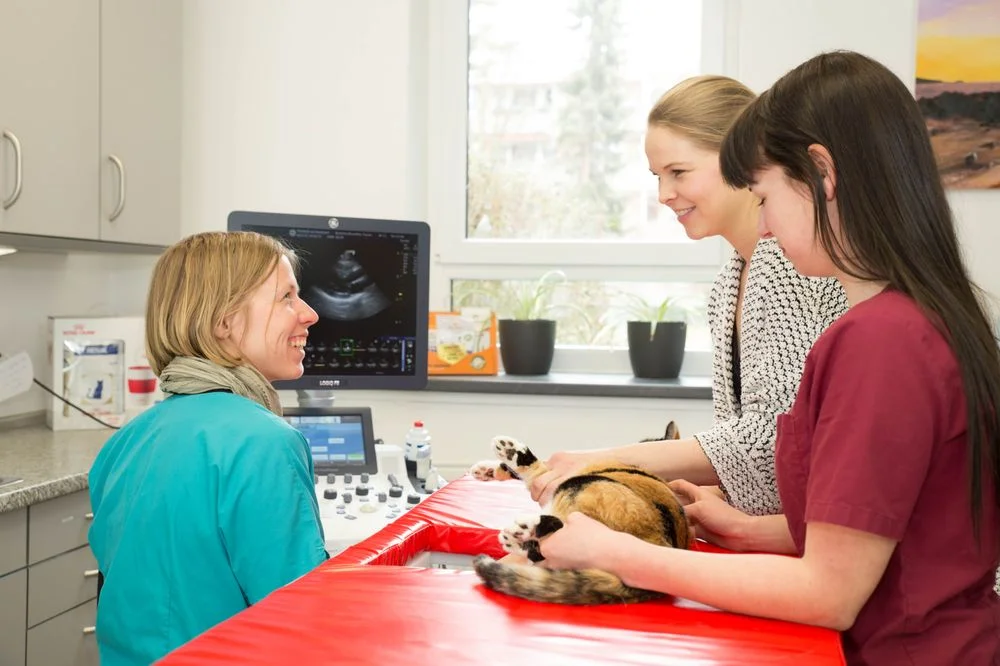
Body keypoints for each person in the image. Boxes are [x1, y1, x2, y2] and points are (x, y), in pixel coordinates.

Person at [537, 51, 1000, 664]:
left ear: (821, 173)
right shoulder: (922, 317)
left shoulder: (881, 342)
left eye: (764, 192)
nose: (766, 223)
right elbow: (897, 522)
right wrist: (752, 531)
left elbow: (828, 593)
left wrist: (615, 553)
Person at [529, 75, 848, 515]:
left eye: (678, 172)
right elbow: (753, 458)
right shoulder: (727, 285)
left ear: (742, 158)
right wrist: (707, 495)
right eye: (658, 176)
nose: (663, 195)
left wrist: (605, 462)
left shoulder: (794, 265)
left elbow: (775, 439)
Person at [88, 231, 329, 666]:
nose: (309, 314)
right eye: (286, 298)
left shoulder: (124, 443)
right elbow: (301, 619)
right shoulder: (266, 443)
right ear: (223, 322)